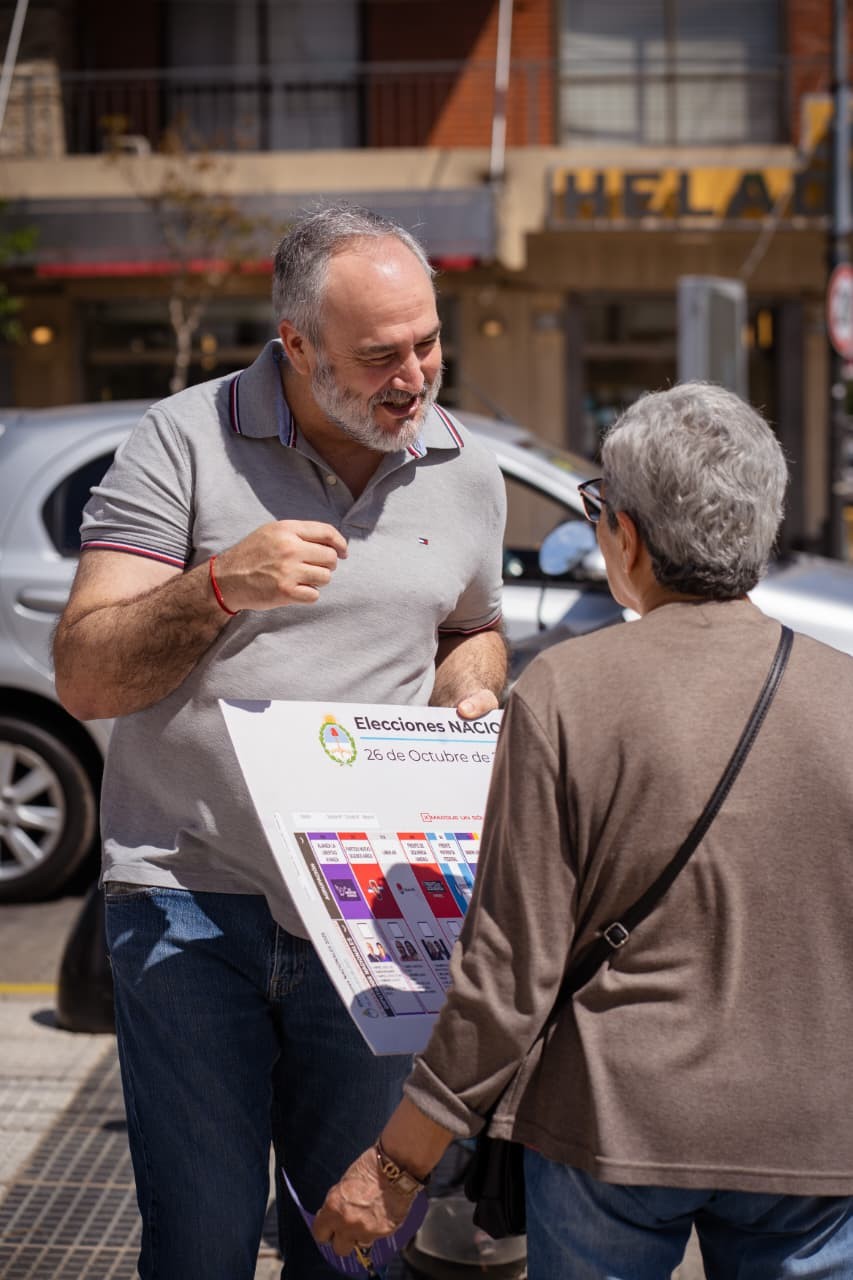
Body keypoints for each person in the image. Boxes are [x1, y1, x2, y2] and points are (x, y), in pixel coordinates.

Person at [52, 204, 507, 1280]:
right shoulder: (181, 439)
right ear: (295, 344)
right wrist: (219, 586)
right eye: (378, 354)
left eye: (427, 342)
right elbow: (83, 670)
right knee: (203, 1243)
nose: (413, 376)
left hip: (375, 905)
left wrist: (472, 689)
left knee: (355, 1244)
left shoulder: (463, 465)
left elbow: (468, 625)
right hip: (189, 897)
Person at [314, 383, 853, 1279]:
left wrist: (398, 1164)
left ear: (628, 534)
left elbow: (506, 972)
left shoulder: (567, 689)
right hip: (814, 1135)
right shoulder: (844, 693)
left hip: (608, 1124)